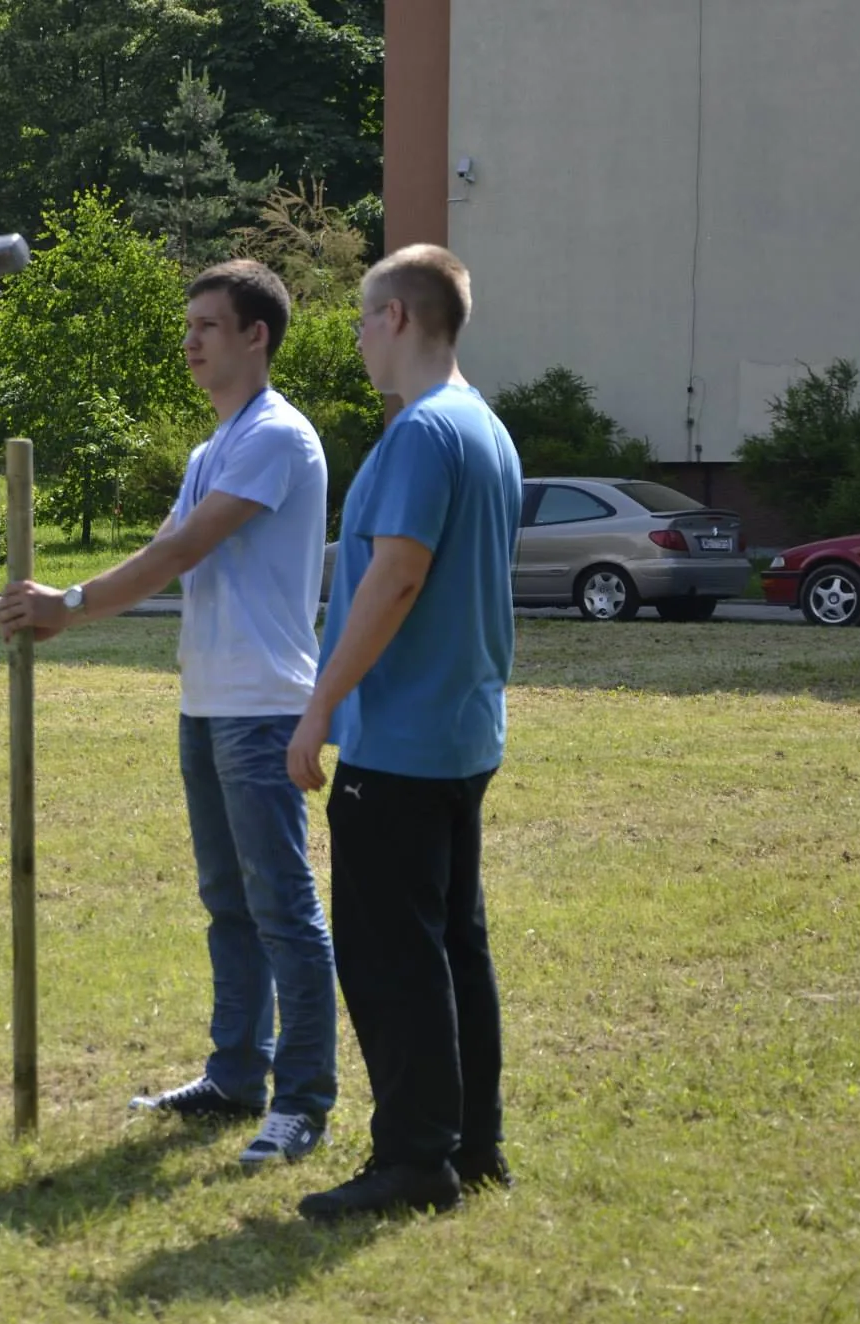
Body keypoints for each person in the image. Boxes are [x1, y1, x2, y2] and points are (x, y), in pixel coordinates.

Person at [0, 259, 337, 1171]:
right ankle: (235, 1077)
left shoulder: (278, 437)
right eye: (187, 326)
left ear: (256, 336)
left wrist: (70, 601)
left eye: (207, 327)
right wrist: (78, 603)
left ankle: (302, 1102)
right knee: (228, 903)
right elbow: (169, 553)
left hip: (262, 708)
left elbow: (187, 545)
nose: (189, 342)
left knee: (282, 910)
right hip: (207, 701)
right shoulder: (211, 446)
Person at [285, 244, 523, 1221]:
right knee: (451, 946)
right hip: (459, 734)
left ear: (396, 318)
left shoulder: (423, 434)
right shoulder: (484, 429)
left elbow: (394, 577)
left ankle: (413, 1159)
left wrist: (318, 705)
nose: (353, 337)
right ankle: (470, 1145)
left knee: (391, 957)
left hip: (400, 739)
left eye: (358, 318)